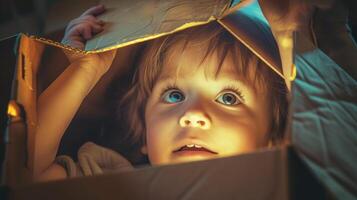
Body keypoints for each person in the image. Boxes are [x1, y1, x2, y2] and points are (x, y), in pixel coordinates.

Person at [33, 4, 288, 181]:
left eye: (228, 98)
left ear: (273, 140)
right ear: (145, 134)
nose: (193, 115)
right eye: (174, 95)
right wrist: (83, 69)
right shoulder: (117, 181)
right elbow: (29, 170)